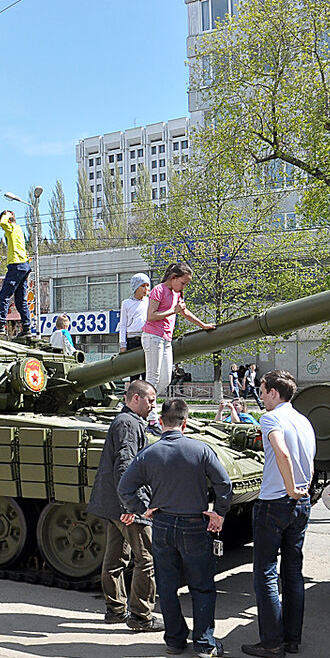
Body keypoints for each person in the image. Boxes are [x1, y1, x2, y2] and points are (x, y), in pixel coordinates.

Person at [118, 398, 232, 658]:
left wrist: (143, 508)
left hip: (162, 524)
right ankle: (204, 644)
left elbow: (125, 488)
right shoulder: (201, 450)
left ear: (160, 422)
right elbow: (224, 485)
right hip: (194, 524)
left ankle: (174, 639)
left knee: (167, 587)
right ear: (186, 421)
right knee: (202, 586)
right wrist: (219, 514)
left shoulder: (149, 453)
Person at [241, 370, 316, 658]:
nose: (260, 396)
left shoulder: (271, 418)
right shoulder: (304, 420)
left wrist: (289, 487)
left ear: (273, 392)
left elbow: (281, 453)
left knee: (266, 572)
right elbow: (307, 458)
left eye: (262, 390)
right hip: (301, 504)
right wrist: (301, 489)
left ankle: (272, 642)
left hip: (275, 502)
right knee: (293, 573)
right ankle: (292, 639)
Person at [87, 380, 160, 631]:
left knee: (116, 556)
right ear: (135, 398)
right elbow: (125, 466)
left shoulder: (125, 421)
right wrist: (132, 506)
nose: (153, 405)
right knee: (146, 559)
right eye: (150, 400)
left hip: (114, 503)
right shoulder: (129, 424)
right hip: (126, 505)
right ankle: (141, 616)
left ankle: (116, 609)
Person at [141, 264, 214, 396]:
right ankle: (150, 412)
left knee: (166, 378)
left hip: (166, 339)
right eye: (183, 283)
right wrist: (173, 311)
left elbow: (184, 312)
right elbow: (151, 316)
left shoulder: (176, 293)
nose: (184, 287)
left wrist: (203, 325)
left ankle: (147, 405)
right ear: (174, 278)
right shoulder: (159, 290)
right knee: (153, 376)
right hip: (153, 336)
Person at [0, 210, 31, 334]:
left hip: (16, 266)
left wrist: (7, 214)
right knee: (20, 299)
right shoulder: (19, 230)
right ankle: (27, 327)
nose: (3, 230)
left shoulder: (11, 228)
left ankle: (0, 324)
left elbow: (3, 222)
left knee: (4, 296)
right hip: (24, 266)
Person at [119, 273, 150, 380]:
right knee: (134, 373)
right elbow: (123, 325)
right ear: (136, 287)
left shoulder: (150, 301)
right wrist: (123, 345)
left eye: (147, 285)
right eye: (142, 286)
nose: (145, 289)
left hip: (147, 338)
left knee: (147, 372)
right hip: (132, 340)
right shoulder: (126, 303)